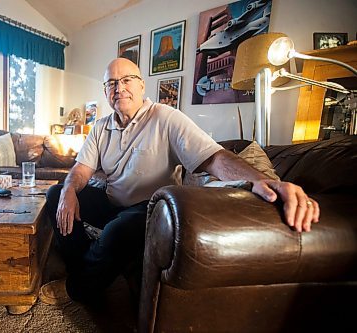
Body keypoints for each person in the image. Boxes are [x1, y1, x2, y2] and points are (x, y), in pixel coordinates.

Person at [40, 58, 320, 306]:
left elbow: (214, 158)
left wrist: (259, 180)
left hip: (149, 209)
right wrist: (68, 190)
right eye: (111, 83)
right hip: (112, 201)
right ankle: (89, 269)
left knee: (118, 230)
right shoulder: (101, 127)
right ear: (105, 91)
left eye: (127, 80)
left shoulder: (165, 117)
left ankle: (78, 289)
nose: (119, 87)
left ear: (141, 87)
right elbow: (81, 169)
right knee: (54, 196)